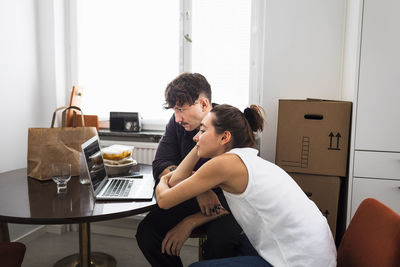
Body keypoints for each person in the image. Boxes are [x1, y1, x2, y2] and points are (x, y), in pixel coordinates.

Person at [156, 104, 337, 267]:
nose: (195, 137)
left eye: (202, 131)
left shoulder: (225, 164)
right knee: (234, 247)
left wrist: (162, 180)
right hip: (317, 253)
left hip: (302, 261)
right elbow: (178, 179)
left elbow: (164, 200)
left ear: (225, 137)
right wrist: (201, 142)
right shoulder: (243, 158)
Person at [136, 73, 242, 267]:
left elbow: (241, 191)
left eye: (181, 110)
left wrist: (189, 222)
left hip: (228, 204)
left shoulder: (230, 125)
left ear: (203, 104)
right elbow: (161, 164)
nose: (177, 118)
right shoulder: (177, 124)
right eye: (174, 110)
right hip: (190, 197)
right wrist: (200, 189)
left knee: (220, 243)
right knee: (147, 233)